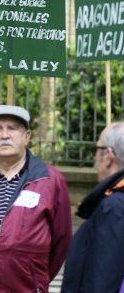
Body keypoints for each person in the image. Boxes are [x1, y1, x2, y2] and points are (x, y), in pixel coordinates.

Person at [0, 105, 71, 292]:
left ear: (26, 136)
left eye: (12, 128)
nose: (4, 135)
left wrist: (35, 278)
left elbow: (62, 241)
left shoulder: (50, 181)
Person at [61, 121, 124, 292]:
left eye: (98, 150)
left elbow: (102, 278)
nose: (95, 157)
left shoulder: (115, 207)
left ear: (109, 156)